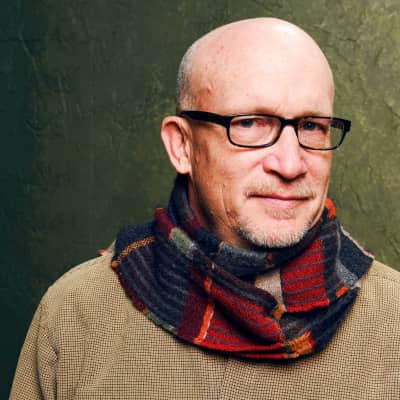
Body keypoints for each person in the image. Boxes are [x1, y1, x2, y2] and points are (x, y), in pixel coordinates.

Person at [11, 17, 400, 400]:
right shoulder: (75, 315)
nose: (290, 164)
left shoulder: (393, 320)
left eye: (312, 126)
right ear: (182, 146)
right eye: (249, 123)